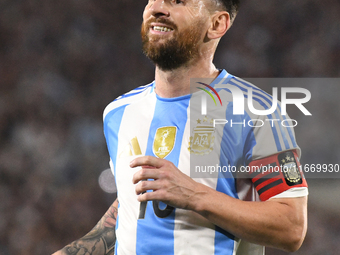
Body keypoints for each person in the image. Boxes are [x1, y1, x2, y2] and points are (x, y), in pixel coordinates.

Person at [53, 0, 308, 254]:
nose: (157, 8)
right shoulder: (118, 112)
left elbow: (291, 228)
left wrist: (194, 195)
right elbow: (135, 206)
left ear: (217, 23)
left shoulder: (256, 112)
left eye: (178, 1)